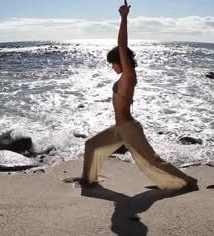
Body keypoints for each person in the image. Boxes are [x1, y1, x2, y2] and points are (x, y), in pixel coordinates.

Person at [80, 0, 197, 190]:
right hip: (118, 129)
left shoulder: (128, 76)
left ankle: (189, 181)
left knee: (154, 161)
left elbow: (122, 44)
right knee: (91, 145)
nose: (112, 67)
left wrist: (124, 18)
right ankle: (87, 179)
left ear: (121, 61)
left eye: (113, 63)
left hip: (130, 129)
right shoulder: (123, 78)